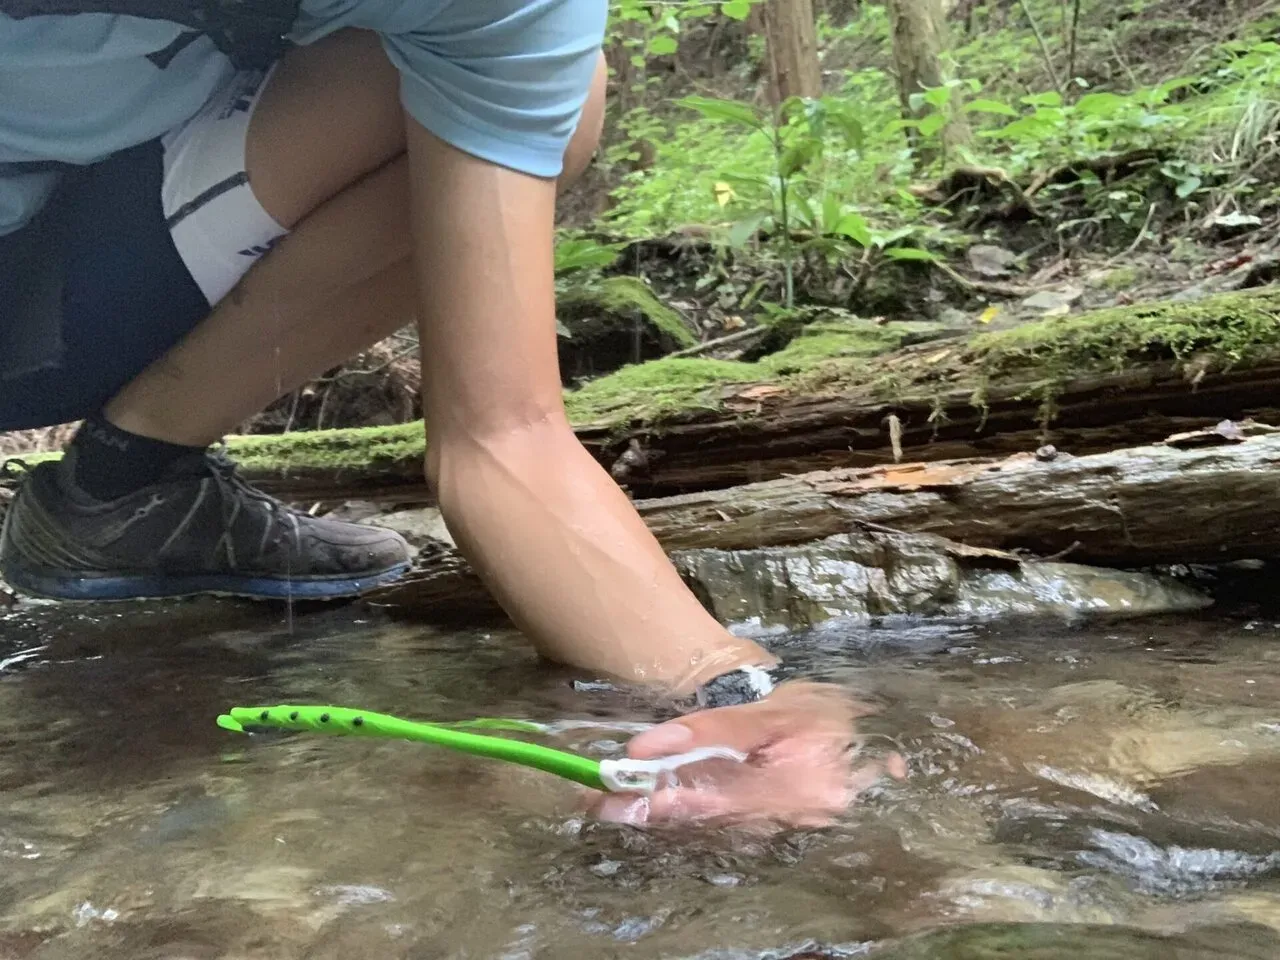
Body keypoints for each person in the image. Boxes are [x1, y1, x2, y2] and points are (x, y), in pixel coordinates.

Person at [0, 0, 896, 826]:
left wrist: (732, 697)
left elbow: (506, 437)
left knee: (551, 101)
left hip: (67, 284)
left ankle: (129, 479)